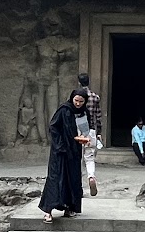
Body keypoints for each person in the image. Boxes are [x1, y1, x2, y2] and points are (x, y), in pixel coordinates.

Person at [39, 90, 89, 222]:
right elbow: (53, 127)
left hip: (74, 151)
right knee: (56, 178)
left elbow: (85, 130)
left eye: (81, 101)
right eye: (76, 100)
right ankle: (48, 211)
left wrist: (85, 138)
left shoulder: (84, 113)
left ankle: (69, 207)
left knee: (72, 179)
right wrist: (60, 144)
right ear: (72, 98)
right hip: (60, 152)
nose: (78, 103)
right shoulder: (64, 110)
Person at [76, 71, 102, 196]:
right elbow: (98, 116)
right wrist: (99, 132)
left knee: (78, 158)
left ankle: (78, 186)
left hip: (78, 131)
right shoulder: (95, 97)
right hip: (90, 130)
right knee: (89, 158)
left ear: (79, 82)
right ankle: (91, 177)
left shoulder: (76, 97)